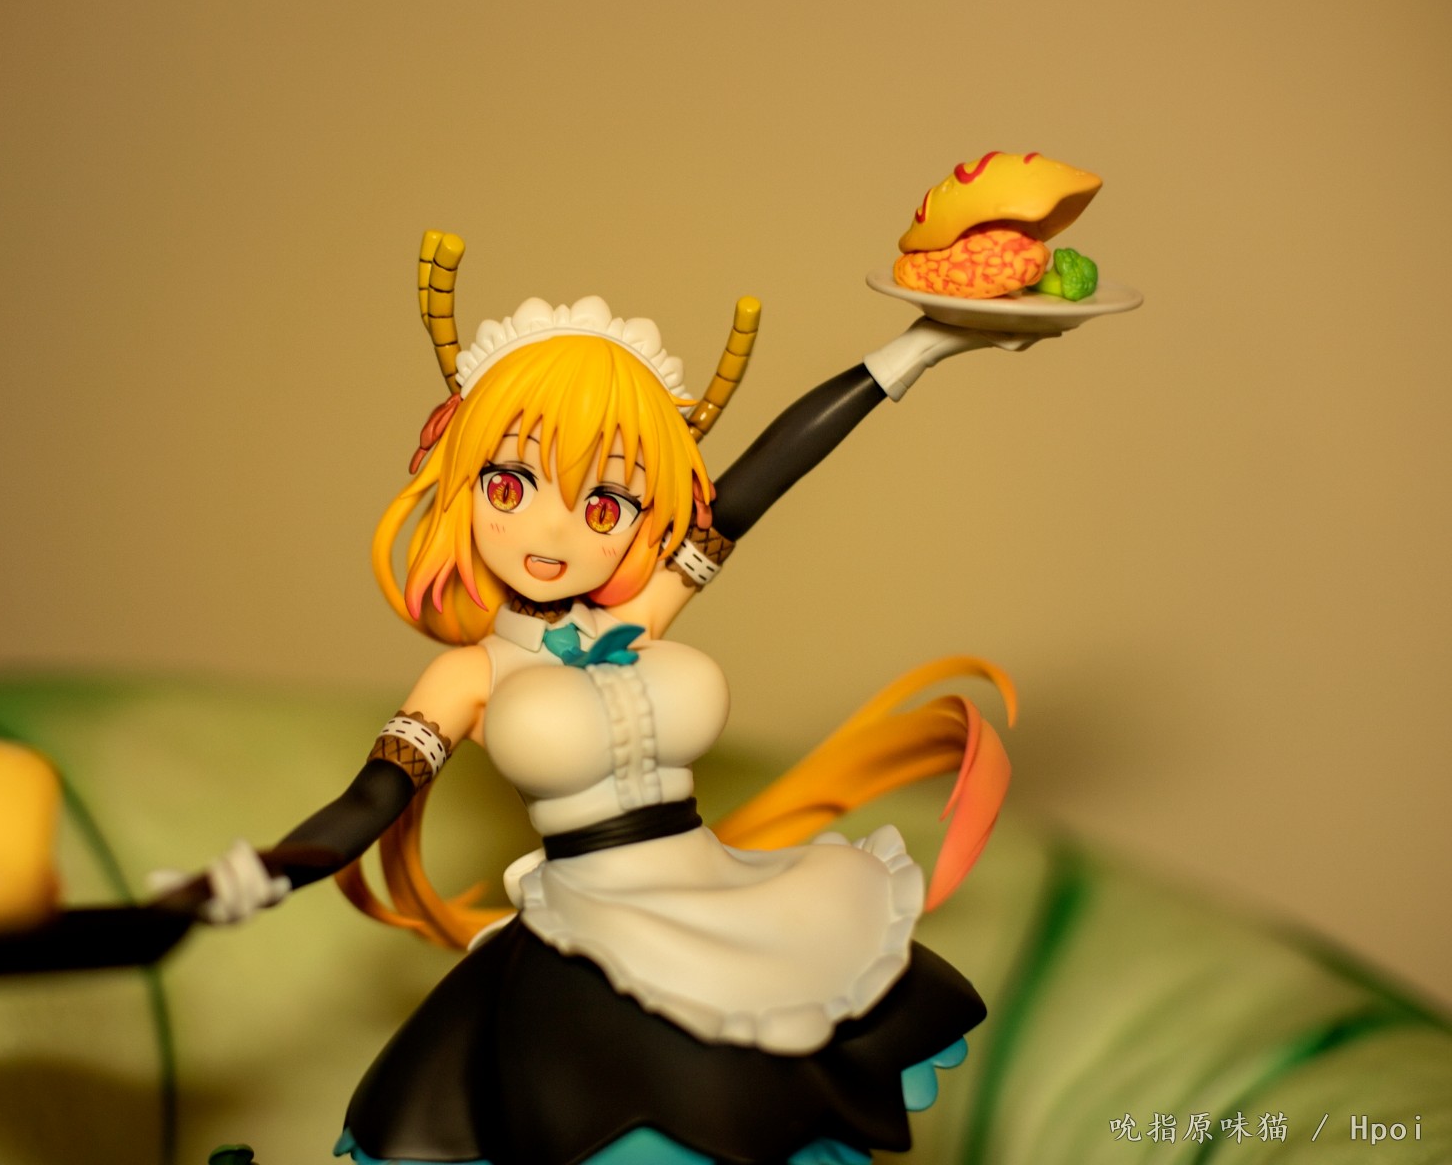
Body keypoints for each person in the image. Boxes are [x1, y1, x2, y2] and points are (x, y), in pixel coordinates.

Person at [173, 231, 1041, 1165]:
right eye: (511, 485)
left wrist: (919, 347)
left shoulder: (649, 607)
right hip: (586, 932)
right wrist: (262, 873)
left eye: (603, 506)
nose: (551, 535)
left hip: (719, 897)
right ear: (462, 479)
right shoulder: (471, 677)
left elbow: (763, 478)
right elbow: (369, 802)